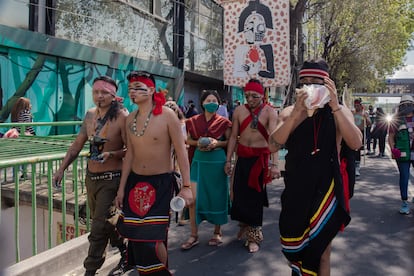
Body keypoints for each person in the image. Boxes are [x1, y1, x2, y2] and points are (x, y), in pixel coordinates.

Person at [269, 59, 362, 276]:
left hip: (326, 190)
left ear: (327, 84)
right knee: (293, 245)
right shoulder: (289, 111)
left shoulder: (339, 111)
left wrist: (336, 106)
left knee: (323, 251)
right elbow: (274, 143)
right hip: (296, 188)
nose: (310, 86)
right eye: (305, 82)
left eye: (316, 82)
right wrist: (296, 115)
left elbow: (356, 143)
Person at [115, 71, 193, 276]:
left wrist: (186, 187)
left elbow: (181, 151)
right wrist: (121, 189)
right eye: (130, 88)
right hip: (135, 183)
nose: (133, 92)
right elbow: (129, 155)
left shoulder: (167, 116)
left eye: (138, 88)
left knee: (154, 237)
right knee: (136, 236)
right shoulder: (129, 118)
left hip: (161, 184)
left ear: (151, 90)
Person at [53, 76, 129, 276]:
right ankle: (126, 250)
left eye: (104, 92)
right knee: (106, 222)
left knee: (96, 229)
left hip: (111, 177)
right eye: (96, 92)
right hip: (91, 178)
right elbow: (77, 145)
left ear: (113, 95)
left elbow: (131, 150)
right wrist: (61, 169)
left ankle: (90, 271)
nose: (99, 96)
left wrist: (111, 154)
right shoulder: (90, 115)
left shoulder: (122, 116)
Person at [224, 79, 280, 253]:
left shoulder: (270, 112)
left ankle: (254, 236)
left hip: (259, 161)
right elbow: (233, 136)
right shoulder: (240, 111)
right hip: (242, 157)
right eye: (247, 95)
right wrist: (228, 160)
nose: (250, 99)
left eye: (254, 96)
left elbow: (274, 139)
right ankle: (245, 225)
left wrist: (275, 164)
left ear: (262, 95)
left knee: (254, 198)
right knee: (238, 196)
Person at [181, 90, 232, 250]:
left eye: (215, 100)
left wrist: (217, 143)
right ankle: (193, 235)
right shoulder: (193, 121)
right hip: (199, 162)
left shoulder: (224, 122)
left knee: (217, 196)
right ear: (202, 103)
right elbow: (188, 140)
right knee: (193, 199)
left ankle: (217, 232)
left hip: (217, 163)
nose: (212, 103)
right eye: (209, 100)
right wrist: (198, 144)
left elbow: (230, 141)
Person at [388, 95, 414, 215]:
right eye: (404, 104)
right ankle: (404, 202)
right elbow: (391, 137)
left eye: (409, 104)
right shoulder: (396, 120)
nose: (407, 107)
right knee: (404, 177)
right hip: (402, 154)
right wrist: (393, 150)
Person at [352, 98, 371, 176]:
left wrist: (366, 118)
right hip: (352, 132)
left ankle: (357, 166)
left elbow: (369, 123)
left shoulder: (364, 113)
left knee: (357, 149)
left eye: (358, 105)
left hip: (360, 132)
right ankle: (352, 164)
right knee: (352, 149)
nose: (356, 107)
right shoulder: (352, 113)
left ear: (360, 105)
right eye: (355, 105)